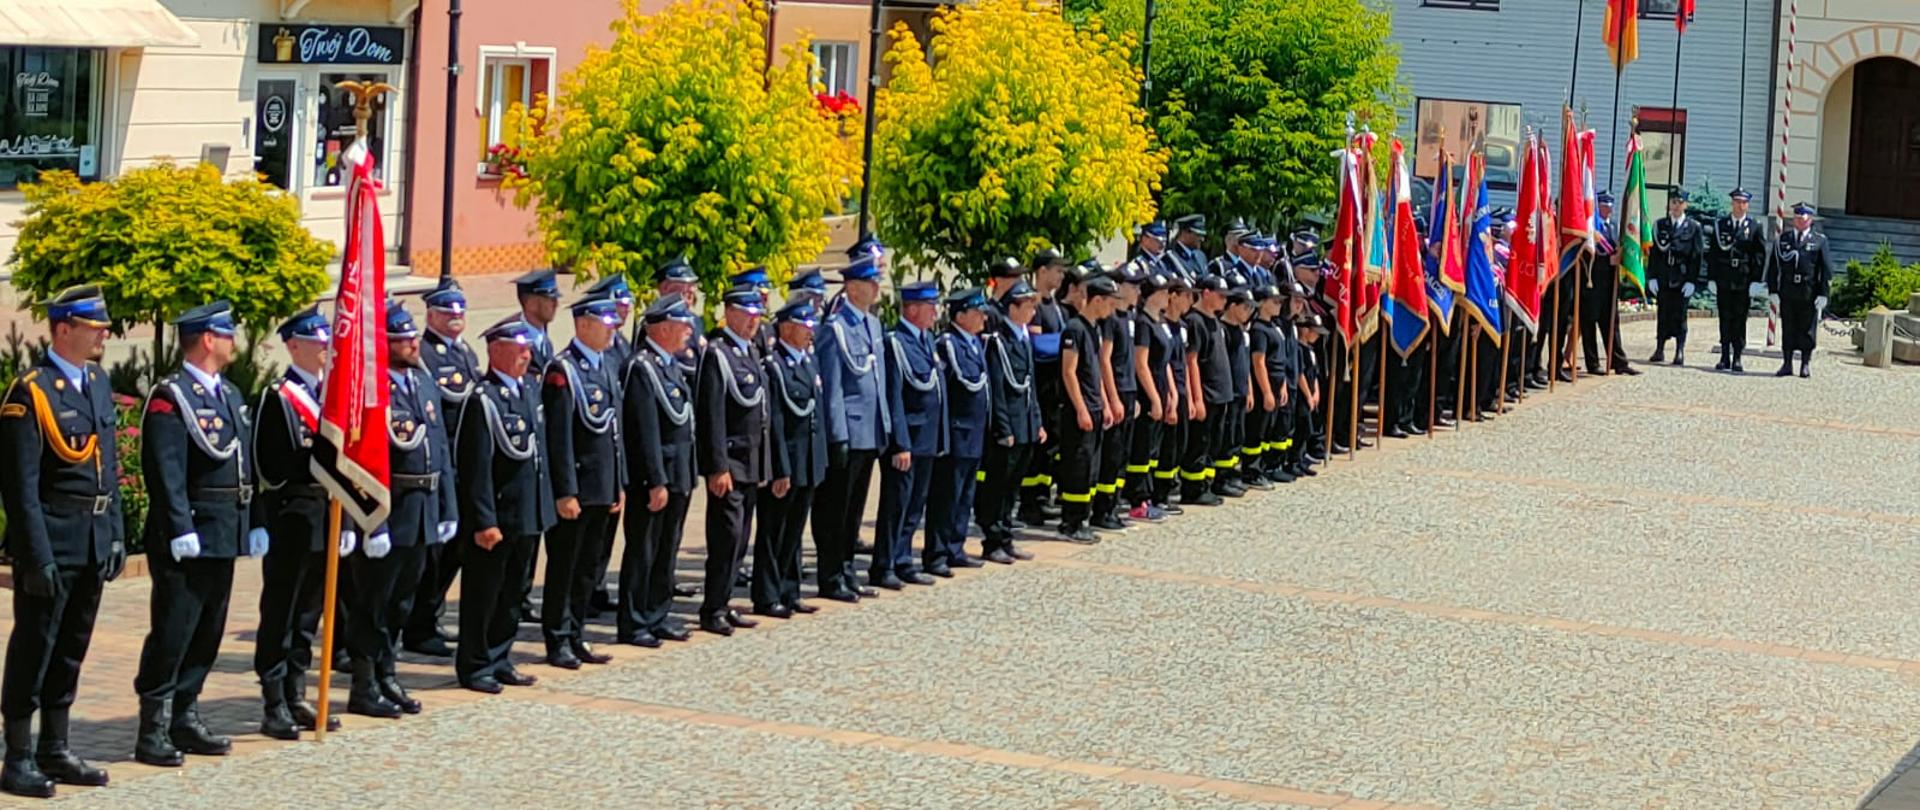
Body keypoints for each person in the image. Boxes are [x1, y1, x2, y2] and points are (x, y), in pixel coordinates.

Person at [0, 286, 123, 796]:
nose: (103, 335)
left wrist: (114, 532)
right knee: (35, 645)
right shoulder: (31, 392)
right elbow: (20, 485)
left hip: (92, 539)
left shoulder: (95, 381)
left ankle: (56, 745)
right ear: (63, 329)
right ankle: (18, 755)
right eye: (94, 327)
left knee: (72, 647)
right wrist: (35, 553)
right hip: (52, 539)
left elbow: (107, 469)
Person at [133, 301, 253, 766]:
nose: (232, 342)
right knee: (173, 630)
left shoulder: (230, 394)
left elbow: (244, 465)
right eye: (227, 334)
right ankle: (153, 727)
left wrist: (252, 521)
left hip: (222, 532)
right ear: (208, 339)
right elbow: (165, 469)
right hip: (188, 535)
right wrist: (180, 525)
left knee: (209, 629)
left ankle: (186, 713)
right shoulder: (172, 396)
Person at [344, 302, 455, 718]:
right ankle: (364, 681)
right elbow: (364, 461)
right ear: (383, 344)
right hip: (390, 510)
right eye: (403, 339)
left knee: (403, 601)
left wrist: (447, 508)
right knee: (373, 601)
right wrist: (372, 521)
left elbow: (440, 449)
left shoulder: (422, 384)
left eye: (412, 337)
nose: (413, 343)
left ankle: (387, 672)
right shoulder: (372, 394)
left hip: (423, 507)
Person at [250, 307, 342, 737]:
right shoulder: (279, 398)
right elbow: (269, 465)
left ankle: (297, 691)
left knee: (309, 611)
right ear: (294, 346)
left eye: (327, 341)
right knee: (282, 610)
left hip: (324, 515)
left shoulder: (331, 396)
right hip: (291, 515)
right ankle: (273, 701)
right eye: (316, 341)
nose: (325, 348)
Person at [454, 316, 555, 694]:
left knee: (514, 592)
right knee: (484, 593)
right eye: (519, 349)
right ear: (496, 351)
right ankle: (475, 664)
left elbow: (539, 454)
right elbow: (475, 467)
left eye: (528, 349)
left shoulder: (529, 390)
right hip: (498, 515)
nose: (527, 355)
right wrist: (483, 520)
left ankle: (500, 657)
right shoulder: (483, 399)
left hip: (527, 512)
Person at [538, 290, 626, 670]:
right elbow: (558, 439)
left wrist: (617, 483)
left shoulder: (605, 364)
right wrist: (565, 491)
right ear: (584, 325)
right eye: (605, 325)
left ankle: (576, 633)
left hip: (602, 486)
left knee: (589, 566)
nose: (611, 331)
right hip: (576, 488)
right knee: (565, 567)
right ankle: (557, 639)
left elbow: (613, 433)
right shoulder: (563, 371)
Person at [616, 297, 700, 647]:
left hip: (677, 470)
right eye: (683, 325)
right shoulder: (642, 367)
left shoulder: (669, 364)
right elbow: (645, 429)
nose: (689, 331)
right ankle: (635, 621)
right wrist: (655, 479)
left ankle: (657, 612)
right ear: (663, 328)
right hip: (656, 477)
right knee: (644, 549)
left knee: (668, 547)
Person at [811, 242, 888, 603]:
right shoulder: (835, 328)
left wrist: (884, 425)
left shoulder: (872, 324)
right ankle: (831, 575)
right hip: (848, 431)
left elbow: (878, 382)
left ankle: (847, 569)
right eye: (870, 283)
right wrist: (837, 433)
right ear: (853, 287)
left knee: (855, 509)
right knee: (835, 510)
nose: (877, 288)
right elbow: (834, 388)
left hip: (870, 429)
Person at [406, 278, 478, 658]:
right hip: (440, 461)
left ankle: (430, 616)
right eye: (448, 313)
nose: (456, 319)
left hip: (461, 466)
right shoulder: (426, 355)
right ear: (431, 315)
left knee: (453, 550)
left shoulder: (465, 353)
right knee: (435, 553)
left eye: (460, 313)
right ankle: (420, 624)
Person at [696, 286, 772, 635]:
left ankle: (724, 603)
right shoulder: (718, 354)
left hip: (751, 460)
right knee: (725, 537)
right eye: (747, 312)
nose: (754, 319)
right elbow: (711, 414)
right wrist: (717, 466)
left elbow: (761, 414)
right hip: (730, 461)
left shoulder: (751, 352)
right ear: (729, 312)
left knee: (741, 538)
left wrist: (765, 464)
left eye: (757, 313)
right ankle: (712, 608)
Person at [754, 300, 827, 617]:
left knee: (795, 531)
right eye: (804, 325)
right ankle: (768, 595)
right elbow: (776, 422)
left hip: (808, 459)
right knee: (774, 531)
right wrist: (780, 468)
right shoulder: (774, 366)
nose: (810, 331)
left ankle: (789, 589)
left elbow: (815, 416)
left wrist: (820, 459)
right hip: (787, 462)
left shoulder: (808, 362)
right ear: (785, 328)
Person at [873, 281, 947, 588]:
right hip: (908, 440)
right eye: (930, 307)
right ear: (913, 309)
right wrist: (900, 442)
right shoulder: (896, 343)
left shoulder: (926, 340)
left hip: (927, 437)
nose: (935, 313)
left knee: (915, 504)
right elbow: (895, 397)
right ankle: (884, 564)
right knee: (896, 505)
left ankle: (903, 560)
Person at [925, 287, 990, 576]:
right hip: (956, 431)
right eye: (977, 313)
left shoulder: (974, 343)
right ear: (961, 315)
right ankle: (937, 553)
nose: (983, 319)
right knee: (946, 496)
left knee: (965, 495)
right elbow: (950, 391)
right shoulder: (948, 344)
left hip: (973, 432)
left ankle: (956, 546)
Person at [977, 280, 1043, 564]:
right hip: (1009, 428)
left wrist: (1037, 422)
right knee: (998, 487)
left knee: (1013, 486)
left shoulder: (1023, 338)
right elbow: (999, 389)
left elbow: (1030, 386)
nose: (1032, 311)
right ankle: (992, 540)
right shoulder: (999, 342)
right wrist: (1003, 428)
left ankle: (1006, 536)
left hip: (1025, 424)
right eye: (1028, 305)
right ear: (1012, 308)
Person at [585, 274, 636, 616]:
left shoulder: (622, 346)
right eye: (617, 304)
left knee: (608, 528)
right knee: (591, 535)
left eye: (627, 303)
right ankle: (589, 589)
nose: (624, 309)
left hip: (618, 447)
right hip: (597, 452)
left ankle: (598, 584)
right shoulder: (604, 349)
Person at [1056, 274, 1116, 543]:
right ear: (1097, 299)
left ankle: (1083, 517)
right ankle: (1071, 521)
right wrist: (1080, 408)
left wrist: (1103, 402)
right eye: (1109, 302)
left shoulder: (1095, 328)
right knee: (1077, 468)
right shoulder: (1074, 329)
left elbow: (1097, 372)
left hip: (1094, 406)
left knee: (1090, 467)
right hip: (1078, 410)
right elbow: (1069, 372)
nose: (1111, 308)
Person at [1018, 249, 1069, 527]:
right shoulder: (1034, 304)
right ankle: (1029, 502)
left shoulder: (1055, 305)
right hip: (1040, 384)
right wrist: (1066, 341)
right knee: (1038, 448)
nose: (1061, 276)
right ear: (1042, 271)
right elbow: (1037, 346)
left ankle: (1041, 496)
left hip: (1054, 387)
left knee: (1050, 447)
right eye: (1057, 270)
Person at [1092, 263, 1141, 530]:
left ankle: (1113, 505)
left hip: (1129, 389)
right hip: (1117, 390)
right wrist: (1112, 398)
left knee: (1122, 456)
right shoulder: (1110, 320)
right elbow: (1105, 360)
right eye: (1132, 286)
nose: (1136, 291)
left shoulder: (1129, 317)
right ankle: (1101, 510)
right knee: (1110, 456)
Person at [1125, 271, 1174, 520]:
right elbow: (1141, 363)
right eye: (1164, 292)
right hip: (1147, 393)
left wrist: (1171, 395)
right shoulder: (1143, 323)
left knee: (1153, 450)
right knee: (1142, 451)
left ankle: (1149, 495)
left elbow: (1166, 362)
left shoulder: (1159, 322)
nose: (1168, 297)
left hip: (1161, 389)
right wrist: (1154, 398)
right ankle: (1137, 500)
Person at [1180, 275, 1231, 507]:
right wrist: (1197, 398)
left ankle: (1206, 485)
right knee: (1198, 444)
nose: (1224, 300)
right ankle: (1193, 489)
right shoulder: (1195, 321)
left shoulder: (1216, 321)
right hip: (1207, 393)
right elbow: (1191, 361)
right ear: (1207, 293)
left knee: (1213, 443)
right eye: (1221, 295)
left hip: (1221, 393)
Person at [1767, 203, 1833, 378]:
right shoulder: (1783, 239)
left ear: (1810, 220)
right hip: (1788, 291)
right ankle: (1787, 363)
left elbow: (1825, 269)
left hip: (1808, 291)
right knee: (1788, 327)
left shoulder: (1819, 240)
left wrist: (1823, 293)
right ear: (1793, 220)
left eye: (1804, 219)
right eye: (1797, 218)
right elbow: (1774, 266)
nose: (1800, 221)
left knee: (1807, 329)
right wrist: (1773, 290)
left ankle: (1805, 363)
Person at [1710, 189, 1768, 373]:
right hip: (1724, 278)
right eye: (1737, 202)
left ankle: (1737, 357)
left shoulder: (1754, 226)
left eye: (1743, 202)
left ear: (1747, 205)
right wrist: (1712, 278)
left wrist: (1756, 281)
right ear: (1732, 204)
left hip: (1743, 280)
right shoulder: (1721, 225)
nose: (1740, 206)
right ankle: (1724, 355)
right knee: (1725, 318)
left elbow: (1759, 255)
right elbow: (1712, 253)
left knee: (1740, 319)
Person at [1581, 192, 1639, 376]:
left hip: (1610, 284)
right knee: (1589, 323)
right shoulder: (1591, 227)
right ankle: (1593, 363)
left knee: (1611, 323)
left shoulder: (1614, 227)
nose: (1608, 208)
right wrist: (1608, 260)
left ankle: (1619, 361)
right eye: (1604, 204)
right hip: (1592, 282)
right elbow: (1587, 254)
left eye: (1610, 205)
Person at [1648, 191, 1704, 365]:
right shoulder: (1660, 225)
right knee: (1663, 313)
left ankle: (1679, 350)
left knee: (1680, 316)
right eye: (1673, 202)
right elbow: (1654, 254)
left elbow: (1697, 256)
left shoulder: (1693, 227)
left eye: (1680, 202)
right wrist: (1652, 277)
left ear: (1685, 205)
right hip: (1664, 276)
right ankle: (1659, 348)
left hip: (1682, 278)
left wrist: (1692, 281)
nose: (1676, 206)